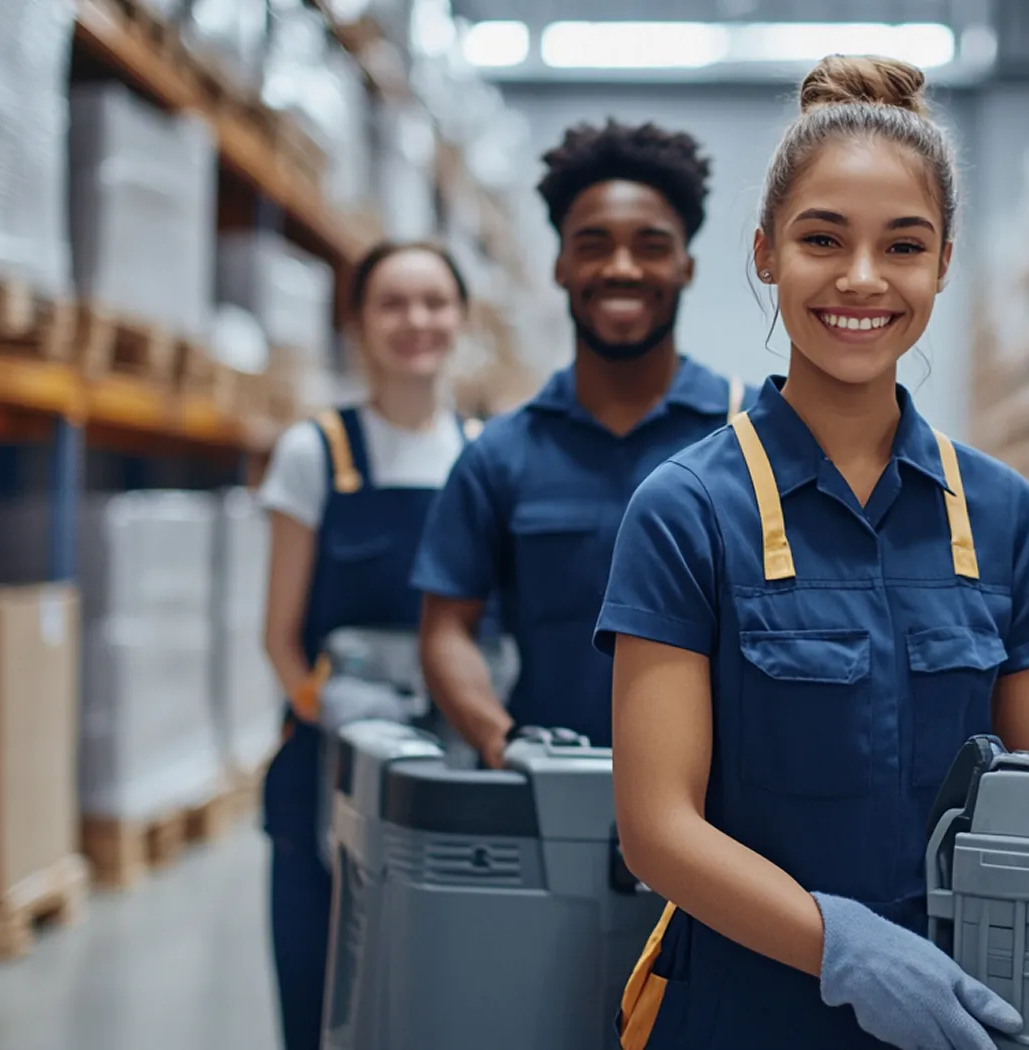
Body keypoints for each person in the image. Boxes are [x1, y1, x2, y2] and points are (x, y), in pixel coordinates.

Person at [595, 55, 1029, 1050]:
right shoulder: (687, 511)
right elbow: (655, 827)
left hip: (963, 1015)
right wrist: (842, 947)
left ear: (943, 263)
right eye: (823, 239)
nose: (862, 279)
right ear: (767, 253)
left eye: (902, 246)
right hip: (746, 1012)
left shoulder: (1002, 515)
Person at [412, 118, 742, 767]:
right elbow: (447, 628)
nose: (621, 268)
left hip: (728, 812)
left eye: (650, 245)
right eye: (594, 244)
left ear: (686, 266)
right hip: (552, 805)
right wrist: (500, 743)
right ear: (562, 265)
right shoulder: (499, 455)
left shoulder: (753, 434)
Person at [256, 241, 481, 1050]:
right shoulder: (316, 453)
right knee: (320, 1001)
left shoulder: (483, 456)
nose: (415, 321)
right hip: (327, 770)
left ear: (460, 318)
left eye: (434, 302)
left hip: (448, 772)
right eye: (392, 303)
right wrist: (341, 718)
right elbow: (279, 638)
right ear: (357, 324)